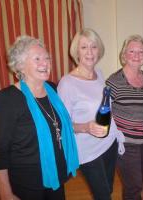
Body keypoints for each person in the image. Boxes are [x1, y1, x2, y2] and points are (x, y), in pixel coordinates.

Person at [0, 35, 79, 200]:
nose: (45, 63)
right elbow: (0, 150)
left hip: (56, 176)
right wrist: (5, 192)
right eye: (37, 58)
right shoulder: (7, 98)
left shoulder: (52, 89)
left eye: (47, 58)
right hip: (27, 183)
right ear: (20, 66)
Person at [57, 28, 125, 200]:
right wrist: (86, 127)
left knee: (107, 190)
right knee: (103, 195)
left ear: (99, 50)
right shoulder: (67, 83)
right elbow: (62, 124)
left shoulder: (99, 75)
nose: (89, 52)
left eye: (93, 47)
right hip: (87, 150)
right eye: (84, 47)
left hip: (109, 143)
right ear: (76, 52)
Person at [106, 35, 143, 199]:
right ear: (124, 55)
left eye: (140, 52)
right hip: (125, 144)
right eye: (131, 51)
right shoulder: (114, 82)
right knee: (134, 186)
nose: (136, 55)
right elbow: (104, 113)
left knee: (137, 183)